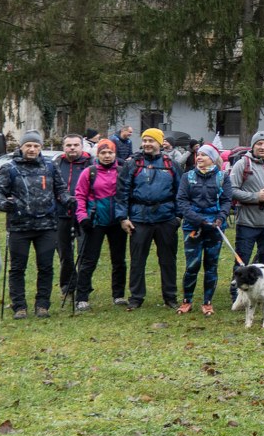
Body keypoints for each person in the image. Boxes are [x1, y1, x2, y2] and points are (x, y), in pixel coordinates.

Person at [0, 131, 65, 318]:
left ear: (40, 148)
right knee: (17, 268)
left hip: (46, 226)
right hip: (19, 227)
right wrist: (3, 204)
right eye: (28, 146)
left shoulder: (50, 166)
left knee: (46, 266)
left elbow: (61, 190)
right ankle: (19, 306)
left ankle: (42, 305)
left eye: (36, 146)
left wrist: (68, 199)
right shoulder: (9, 168)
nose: (32, 149)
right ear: (21, 147)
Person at [116, 128, 184, 311]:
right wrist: (123, 217)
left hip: (166, 218)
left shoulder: (172, 164)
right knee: (138, 260)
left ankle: (170, 296)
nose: (147, 143)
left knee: (168, 260)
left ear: (160, 143)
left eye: (151, 140)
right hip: (139, 218)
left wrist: (178, 217)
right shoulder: (133, 164)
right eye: (145, 140)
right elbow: (122, 192)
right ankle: (136, 297)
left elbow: (181, 192)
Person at [175, 145, 233, 315]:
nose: (199, 157)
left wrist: (220, 218)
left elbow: (227, 200)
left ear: (213, 158)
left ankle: (207, 302)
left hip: (215, 228)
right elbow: (182, 201)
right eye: (197, 154)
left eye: (204, 155)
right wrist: (198, 220)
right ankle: (187, 300)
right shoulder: (188, 176)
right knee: (192, 265)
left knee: (211, 266)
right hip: (193, 227)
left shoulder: (223, 177)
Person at [71, 138, 128, 311]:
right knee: (89, 260)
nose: (107, 156)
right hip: (95, 221)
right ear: (98, 154)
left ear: (115, 154)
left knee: (119, 260)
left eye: (110, 152)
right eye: (103, 153)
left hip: (117, 221)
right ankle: (82, 297)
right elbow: (79, 196)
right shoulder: (90, 172)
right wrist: (82, 218)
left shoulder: (121, 171)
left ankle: (118, 295)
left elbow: (126, 195)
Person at [229, 131, 264, 297]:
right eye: (259, 144)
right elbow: (231, 190)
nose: (262, 147)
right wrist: (255, 197)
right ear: (253, 146)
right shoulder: (242, 164)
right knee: (242, 261)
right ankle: (237, 296)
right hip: (247, 222)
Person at [54, 134, 92, 300]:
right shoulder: (56, 164)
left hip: (83, 213)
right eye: (69, 145)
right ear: (64, 147)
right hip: (61, 214)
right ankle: (68, 286)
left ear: (81, 146)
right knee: (65, 253)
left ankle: (84, 287)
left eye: (76, 145)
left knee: (85, 251)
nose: (72, 148)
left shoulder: (91, 164)